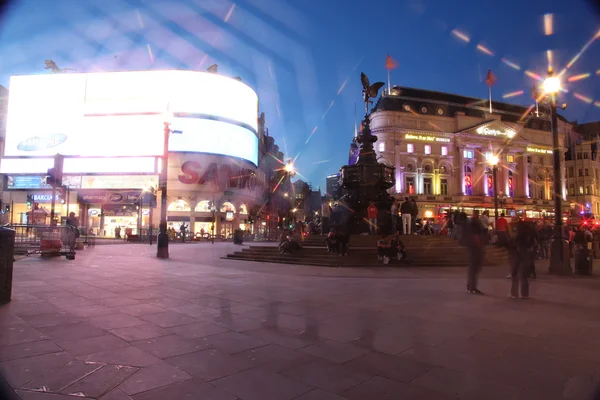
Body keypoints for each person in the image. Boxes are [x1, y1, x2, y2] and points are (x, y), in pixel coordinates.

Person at [510, 219, 536, 299]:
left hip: (518, 254)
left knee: (515, 274)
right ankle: (525, 294)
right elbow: (533, 243)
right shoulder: (529, 234)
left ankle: (514, 293)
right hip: (526, 254)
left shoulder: (519, 235)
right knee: (523, 275)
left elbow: (514, 244)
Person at [463, 210, 486, 294]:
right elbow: (476, 236)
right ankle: (473, 287)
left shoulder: (469, 223)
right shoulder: (475, 223)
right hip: (475, 248)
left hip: (470, 247)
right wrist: (480, 246)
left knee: (472, 268)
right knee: (474, 268)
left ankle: (469, 287)